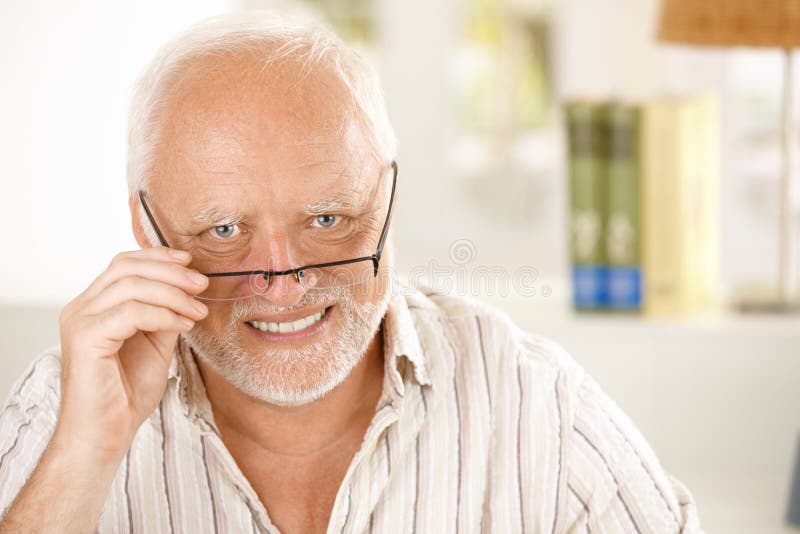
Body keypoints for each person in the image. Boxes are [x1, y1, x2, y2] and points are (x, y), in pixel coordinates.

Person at [0, 11, 702, 534]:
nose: (284, 278)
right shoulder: (64, 410)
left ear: (388, 197)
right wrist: (84, 457)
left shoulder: (533, 403)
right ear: (146, 231)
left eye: (327, 220)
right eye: (223, 230)